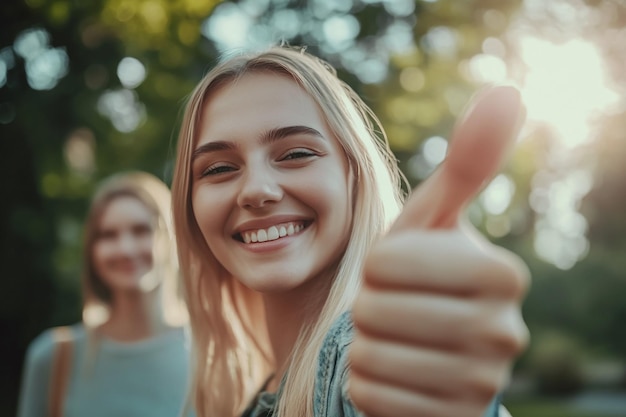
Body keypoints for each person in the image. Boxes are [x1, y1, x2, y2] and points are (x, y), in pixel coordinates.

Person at [171, 46, 529, 417]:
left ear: (354, 176)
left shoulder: (364, 363)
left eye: (295, 154)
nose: (256, 190)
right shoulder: (257, 396)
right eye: (217, 169)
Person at [17, 171, 192, 417]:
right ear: (92, 251)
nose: (125, 249)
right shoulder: (52, 357)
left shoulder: (214, 352)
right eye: (108, 235)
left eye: (141, 230)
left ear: (171, 238)